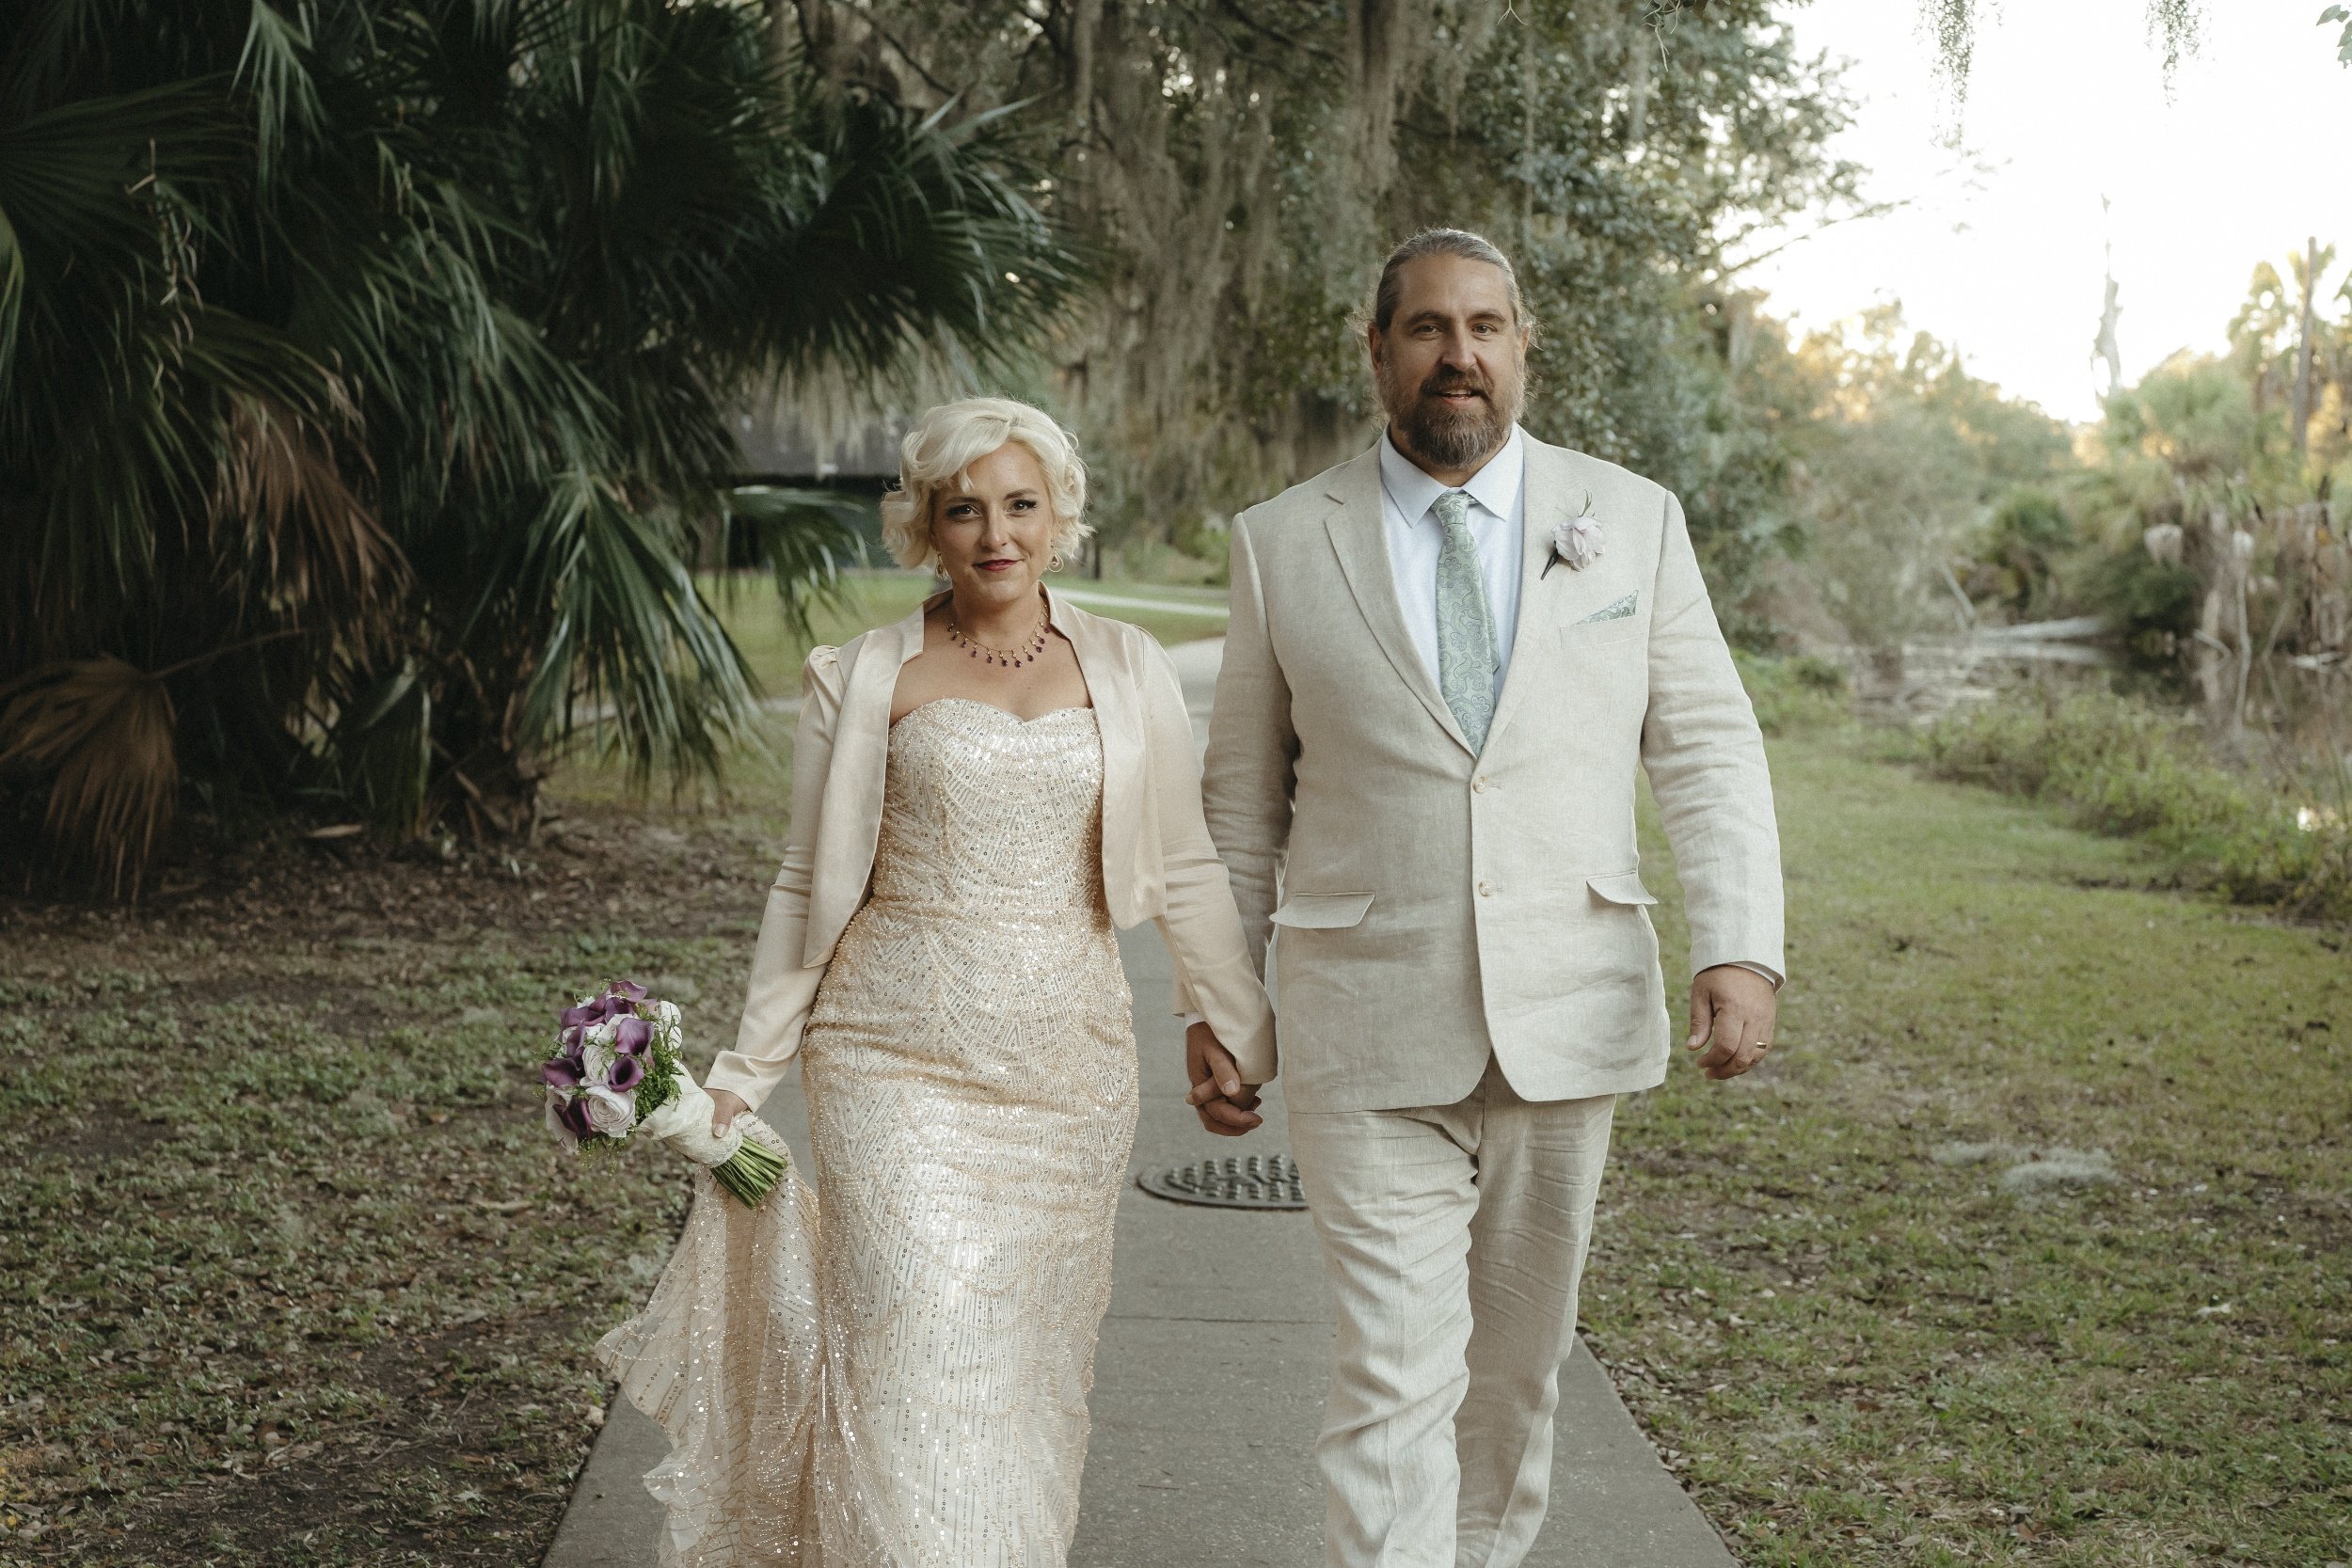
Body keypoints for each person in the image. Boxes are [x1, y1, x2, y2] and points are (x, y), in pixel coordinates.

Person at [1181, 228, 1786, 1568]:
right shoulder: (1281, 542)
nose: (1458, 354)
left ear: (1521, 347)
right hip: (1365, 1017)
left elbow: (1706, 744)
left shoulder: (1632, 518)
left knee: (1514, 1373)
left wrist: (1741, 946)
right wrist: (1222, 1005)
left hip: (1568, 1005)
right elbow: (1240, 804)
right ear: (1377, 350)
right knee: (1392, 1375)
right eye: (1427, 328)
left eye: (1485, 327)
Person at [597, 396, 1274, 1567]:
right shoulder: (863, 674)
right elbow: (806, 879)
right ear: (926, 525)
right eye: (965, 510)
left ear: (1059, 517)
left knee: (1023, 1370)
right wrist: (743, 1072)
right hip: (891, 1056)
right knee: (905, 1344)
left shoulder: (1128, 666)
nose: (995, 534)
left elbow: (1185, 863)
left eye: (1021, 505)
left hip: (1066, 1071)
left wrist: (1229, 1022)